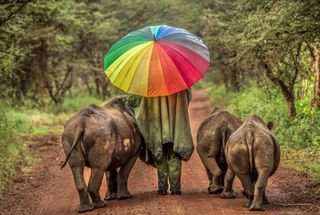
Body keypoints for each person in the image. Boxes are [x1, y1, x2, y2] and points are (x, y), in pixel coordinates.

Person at [127, 89, 193, 195]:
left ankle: (162, 188)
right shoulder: (179, 80)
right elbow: (188, 97)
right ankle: (176, 189)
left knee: (159, 155)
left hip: (156, 127)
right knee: (174, 155)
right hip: (174, 125)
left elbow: (132, 100)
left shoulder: (146, 81)